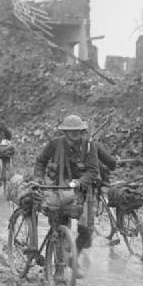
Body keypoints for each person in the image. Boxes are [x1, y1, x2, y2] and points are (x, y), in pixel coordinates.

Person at [33, 115, 100, 277]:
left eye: (77, 131)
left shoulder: (89, 147)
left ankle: (73, 256)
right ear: (65, 132)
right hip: (57, 190)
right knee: (59, 228)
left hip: (81, 193)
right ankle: (59, 268)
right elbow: (40, 161)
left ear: (81, 131)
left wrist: (80, 182)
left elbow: (93, 170)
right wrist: (39, 178)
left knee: (87, 230)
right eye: (71, 131)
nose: (75, 134)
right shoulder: (55, 144)